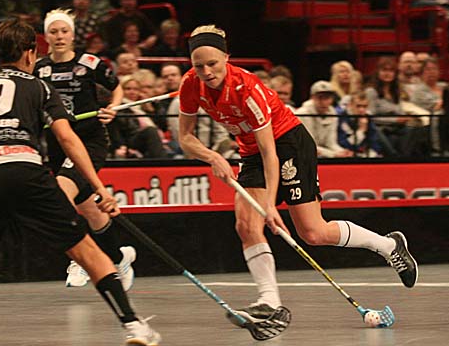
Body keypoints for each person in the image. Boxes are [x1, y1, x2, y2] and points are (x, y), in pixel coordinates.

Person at [0, 18, 160, 346]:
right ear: (28, 54)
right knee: (88, 252)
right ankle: (134, 326)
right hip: (25, 172)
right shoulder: (39, 86)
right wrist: (98, 187)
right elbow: (68, 139)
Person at [178, 25, 418, 325]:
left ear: (227, 58)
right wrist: (213, 156)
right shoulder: (191, 84)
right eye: (198, 65)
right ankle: (269, 302)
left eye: (212, 63)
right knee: (245, 224)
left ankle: (388, 245)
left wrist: (269, 205)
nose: (206, 71)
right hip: (251, 151)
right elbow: (185, 138)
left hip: (288, 143)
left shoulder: (247, 89)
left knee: (313, 233)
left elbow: (270, 151)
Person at [34, 9, 137, 289]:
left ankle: (81, 257)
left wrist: (113, 108)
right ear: (46, 37)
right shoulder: (38, 69)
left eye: (64, 31)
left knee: (61, 193)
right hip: (57, 145)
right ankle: (119, 258)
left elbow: (116, 87)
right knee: (91, 211)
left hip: (89, 142)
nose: (59, 36)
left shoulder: (89, 63)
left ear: (72, 35)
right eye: (53, 32)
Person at [296, 80, 354, 158]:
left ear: (332, 99)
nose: (323, 102)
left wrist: (342, 152)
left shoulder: (333, 113)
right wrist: (333, 154)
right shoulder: (303, 114)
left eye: (327, 98)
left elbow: (331, 143)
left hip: (321, 153)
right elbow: (308, 145)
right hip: (303, 155)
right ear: (312, 98)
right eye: (320, 97)